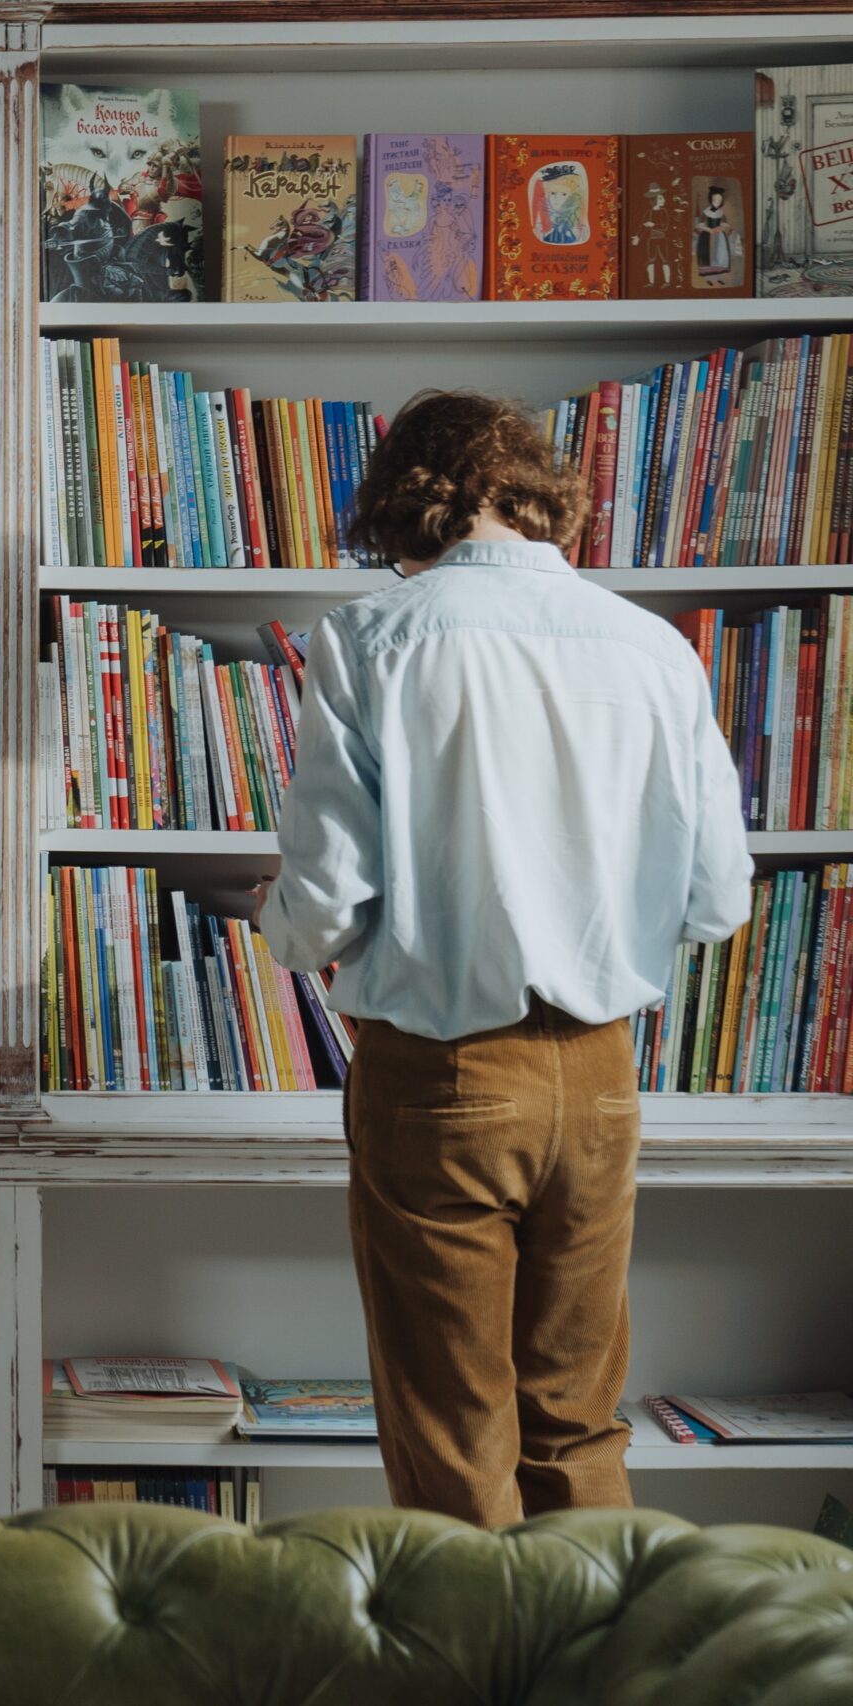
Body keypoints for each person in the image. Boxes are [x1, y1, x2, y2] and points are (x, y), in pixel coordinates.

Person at [260, 391, 752, 1529]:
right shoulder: (651, 647)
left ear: (401, 505)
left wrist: (277, 922)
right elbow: (717, 897)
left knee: (451, 1428)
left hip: (439, 1075)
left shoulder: (368, 639)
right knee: (578, 1416)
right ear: (535, 493)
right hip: (599, 1077)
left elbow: (326, 904)